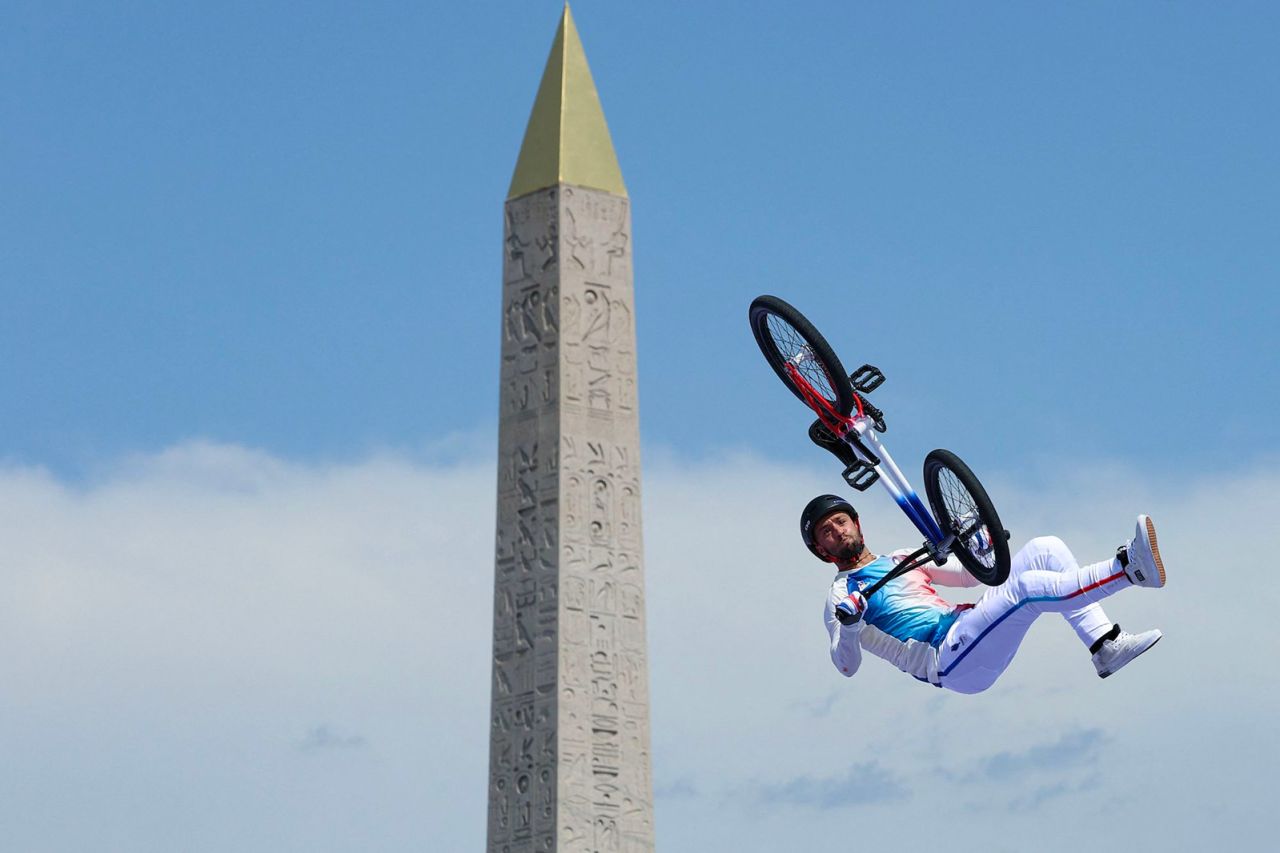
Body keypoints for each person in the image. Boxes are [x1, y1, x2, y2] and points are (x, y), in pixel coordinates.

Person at [801, 494, 1165, 693]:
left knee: (1045, 548)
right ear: (821, 550)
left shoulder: (900, 558)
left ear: (856, 523)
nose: (836, 530)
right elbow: (845, 666)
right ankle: (1128, 569)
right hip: (947, 661)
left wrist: (981, 546)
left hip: (967, 629)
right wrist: (849, 625)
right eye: (826, 532)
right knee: (1027, 590)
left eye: (840, 521)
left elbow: (968, 577)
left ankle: (1105, 646)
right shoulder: (840, 596)